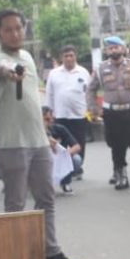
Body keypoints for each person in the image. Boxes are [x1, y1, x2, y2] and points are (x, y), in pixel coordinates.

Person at [0, 9, 78, 259]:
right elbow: (2, 70)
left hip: (37, 140)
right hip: (11, 142)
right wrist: (10, 72)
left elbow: (31, 102)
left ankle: (51, 251)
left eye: (19, 28)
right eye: (8, 29)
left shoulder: (26, 56)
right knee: (15, 203)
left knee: (46, 198)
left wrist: (46, 136)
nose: (15, 34)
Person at [88, 37, 130, 190]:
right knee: (117, 146)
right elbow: (91, 89)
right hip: (111, 113)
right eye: (110, 48)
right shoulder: (101, 69)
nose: (113, 50)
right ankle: (120, 175)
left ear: (123, 49)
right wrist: (95, 108)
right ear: (107, 51)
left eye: (116, 47)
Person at [44, 44, 91, 178]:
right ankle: (63, 170)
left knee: (79, 143)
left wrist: (89, 111)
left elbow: (88, 93)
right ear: (61, 58)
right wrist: (48, 115)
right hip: (60, 115)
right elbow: (49, 94)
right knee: (61, 144)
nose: (69, 58)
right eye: (66, 56)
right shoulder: (54, 73)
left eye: (71, 55)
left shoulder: (83, 72)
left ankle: (77, 168)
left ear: (75, 56)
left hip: (79, 115)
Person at [42, 106, 82, 193]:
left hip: (58, 159)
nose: (50, 121)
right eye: (46, 119)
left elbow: (77, 146)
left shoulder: (60, 129)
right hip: (41, 159)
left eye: (51, 118)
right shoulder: (36, 131)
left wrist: (65, 154)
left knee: (76, 159)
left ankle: (65, 183)